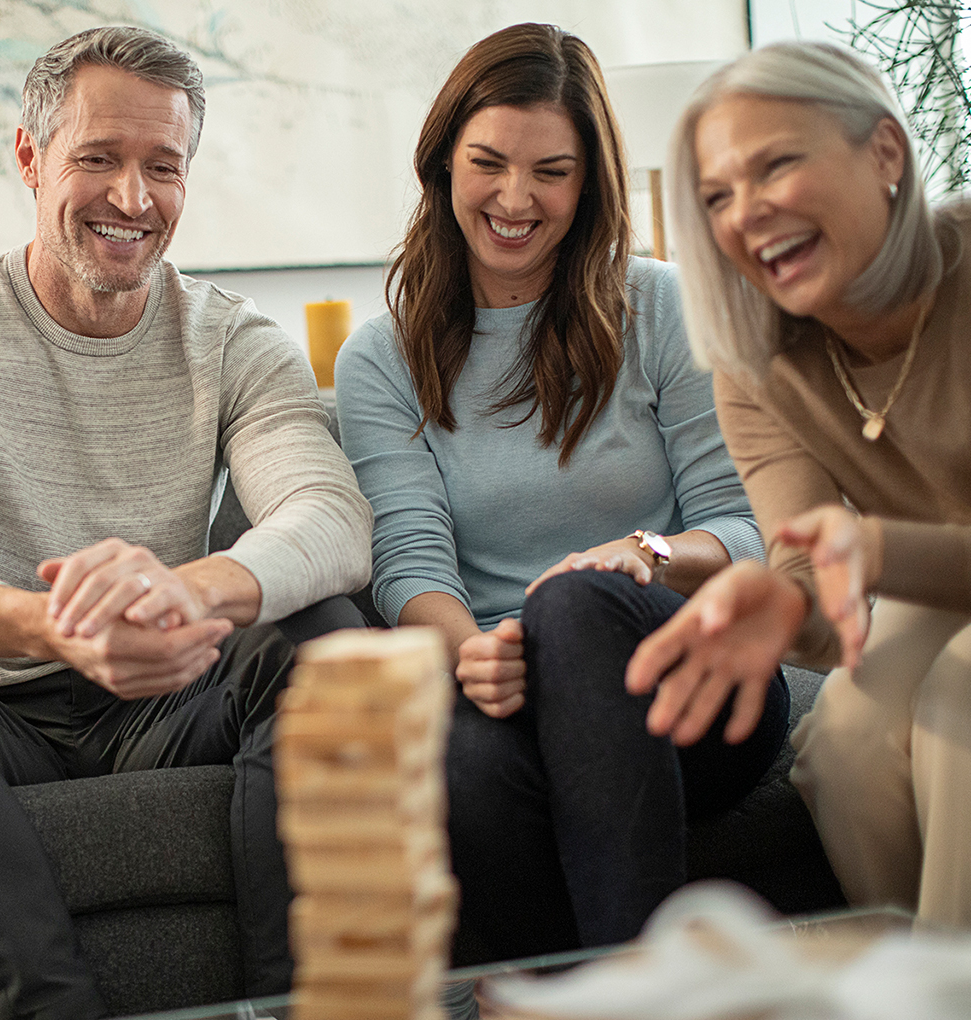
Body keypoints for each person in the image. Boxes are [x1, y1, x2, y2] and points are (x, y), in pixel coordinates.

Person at [0, 25, 372, 1020]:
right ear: (29, 158)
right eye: (98, 159)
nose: (133, 199)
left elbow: (331, 519)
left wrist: (184, 589)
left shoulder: (236, 341)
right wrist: (45, 624)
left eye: (163, 166)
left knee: (328, 636)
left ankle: (301, 1009)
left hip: (173, 696)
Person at [334, 22, 789, 964]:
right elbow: (410, 558)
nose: (515, 198)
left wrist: (648, 557)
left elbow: (744, 525)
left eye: (552, 170)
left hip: (689, 675)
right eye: (487, 163)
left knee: (576, 603)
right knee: (462, 762)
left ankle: (637, 987)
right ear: (442, 166)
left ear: (589, 184)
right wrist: (473, 657)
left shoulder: (662, 306)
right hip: (502, 686)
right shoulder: (380, 359)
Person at [627, 40, 971, 929]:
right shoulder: (755, 363)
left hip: (922, 564)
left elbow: (870, 554)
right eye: (716, 197)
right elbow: (815, 583)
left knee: (958, 707)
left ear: (885, 153)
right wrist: (784, 605)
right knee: (843, 746)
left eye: (776, 164)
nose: (746, 213)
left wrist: (878, 551)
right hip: (929, 573)